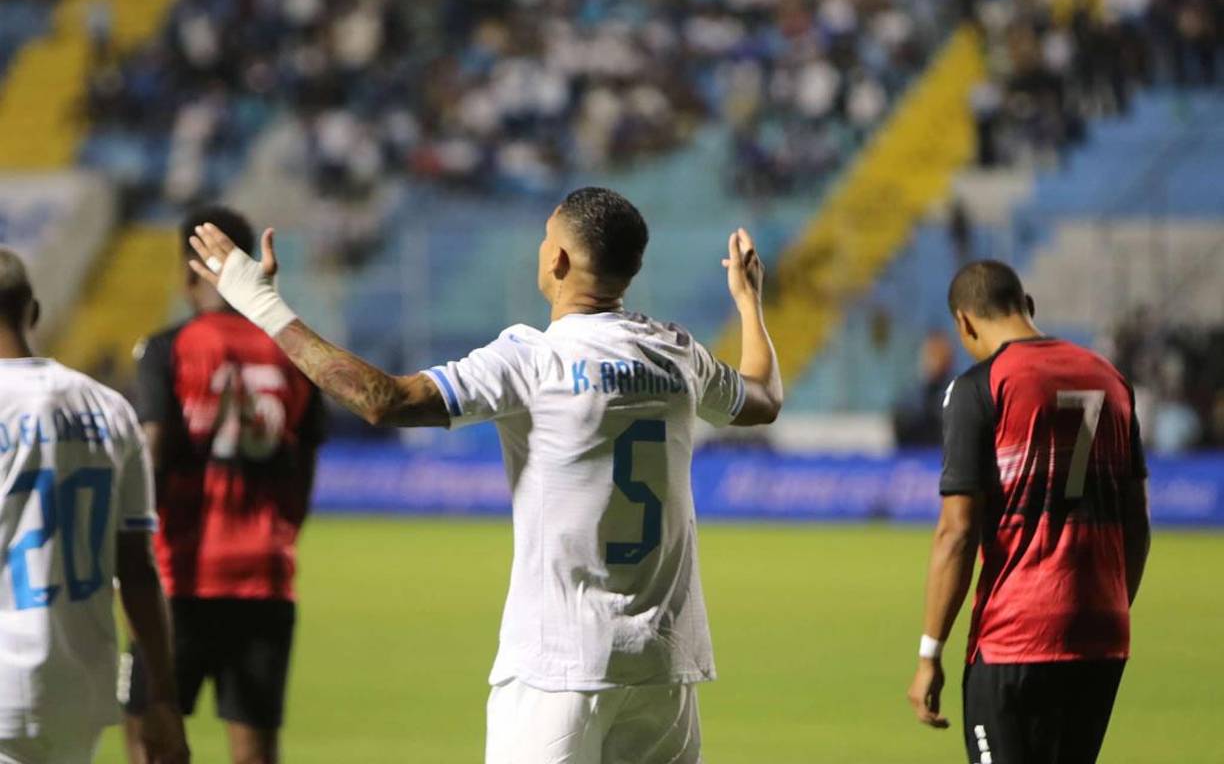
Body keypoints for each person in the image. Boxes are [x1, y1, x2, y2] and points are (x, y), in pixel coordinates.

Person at [186, 187, 783, 764]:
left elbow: (381, 400)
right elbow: (763, 397)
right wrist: (748, 302)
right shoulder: (676, 353)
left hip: (559, 669)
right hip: (663, 668)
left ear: (559, 259)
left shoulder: (532, 360)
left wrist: (260, 304)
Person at [906, 260, 1151, 764]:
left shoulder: (979, 386)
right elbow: (1137, 524)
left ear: (964, 324)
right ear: (1028, 308)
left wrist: (930, 651)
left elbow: (957, 532)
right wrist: (1106, 606)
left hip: (1017, 635)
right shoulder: (1111, 379)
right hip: (1102, 636)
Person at [122, 210, 326, 764]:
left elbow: (155, 453)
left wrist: (132, 556)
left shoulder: (169, 347)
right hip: (265, 575)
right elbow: (305, 464)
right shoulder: (295, 351)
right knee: (255, 749)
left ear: (191, 275)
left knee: (151, 735)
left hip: (180, 576)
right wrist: (280, 537)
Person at [0, 248, 189, 764]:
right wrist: (162, 697)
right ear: (33, 313)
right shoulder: (109, 408)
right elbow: (138, 569)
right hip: (79, 687)